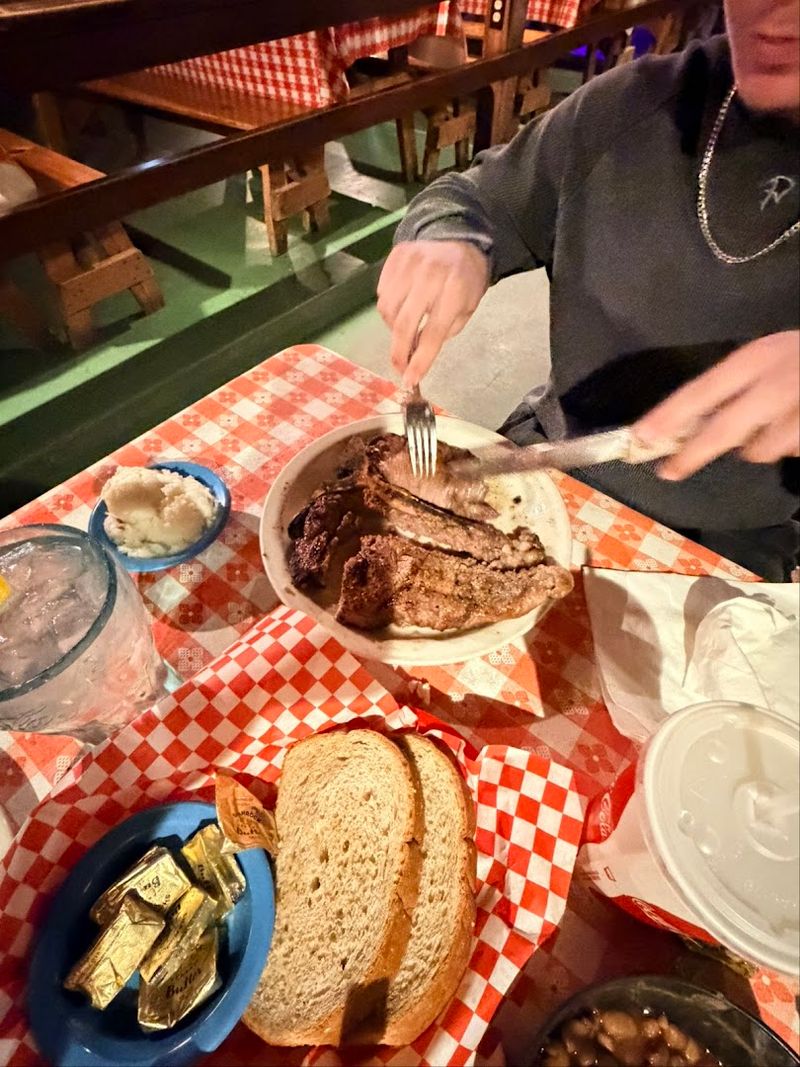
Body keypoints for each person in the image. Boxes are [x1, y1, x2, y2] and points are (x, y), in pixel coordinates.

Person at [377, 0, 800, 580]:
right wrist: (452, 235)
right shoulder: (635, 106)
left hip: (731, 544)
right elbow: (476, 195)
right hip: (540, 468)